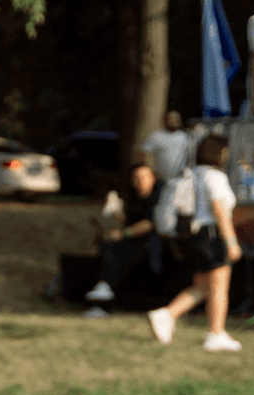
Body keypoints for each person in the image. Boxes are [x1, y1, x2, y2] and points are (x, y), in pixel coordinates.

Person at [147, 134, 242, 352]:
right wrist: (231, 242)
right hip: (211, 236)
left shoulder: (192, 174)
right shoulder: (215, 177)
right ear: (220, 154)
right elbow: (220, 211)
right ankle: (216, 334)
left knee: (202, 287)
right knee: (219, 287)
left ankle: (166, 314)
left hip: (192, 237)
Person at [84, 163, 164, 307]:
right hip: (133, 241)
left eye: (145, 177)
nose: (141, 181)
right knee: (108, 247)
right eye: (137, 178)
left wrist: (124, 233)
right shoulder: (134, 197)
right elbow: (129, 220)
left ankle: (106, 286)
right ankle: (103, 287)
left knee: (117, 250)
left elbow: (150, 223)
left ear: (153, 178)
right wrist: (114, 210)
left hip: (152, 244)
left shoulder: (159, 196)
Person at [138, 110, 192, 181]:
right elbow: (142, 152)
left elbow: (191, 156)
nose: (174, 121)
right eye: (171, 119)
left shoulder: (185, 137)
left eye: (176, 119)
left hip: (180, 180)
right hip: (160, 180)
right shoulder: (156, 136)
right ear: (164, 120)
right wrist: (148, 171)